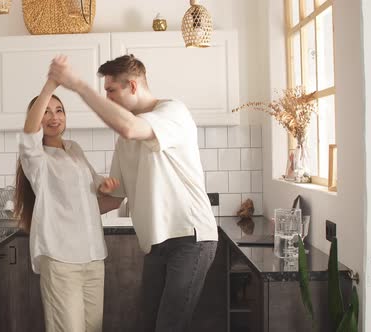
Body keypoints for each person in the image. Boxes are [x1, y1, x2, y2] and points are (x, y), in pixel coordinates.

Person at [48, 54, 219, 332]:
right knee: (146, 324)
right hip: (156, 244)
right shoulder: (125, 141)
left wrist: (78, 85)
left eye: (112, 91)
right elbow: (113, 198)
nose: (108, 98)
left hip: (191, 239)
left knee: (169, 326)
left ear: (134, 86)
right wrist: (57, 214)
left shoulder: (172, 112)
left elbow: (129, 127)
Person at [14, 78, 120, 332]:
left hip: (93, 256)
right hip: (61, 260)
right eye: (46, 112)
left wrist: (106, 187)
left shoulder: (75, 149)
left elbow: (95, 192)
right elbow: (29, 136)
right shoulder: (37, 159)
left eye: (59, 110)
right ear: (36, 119)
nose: (54, 117)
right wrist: (51, 85)